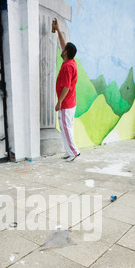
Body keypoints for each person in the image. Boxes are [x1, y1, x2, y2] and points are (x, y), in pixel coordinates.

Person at [53, 18, 80, 162]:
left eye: (63, 49)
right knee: (65, 127)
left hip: (67, 103)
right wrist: (58, 30)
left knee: (66, 127)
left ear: (66, 53)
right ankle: (70, 151)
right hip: (69, 103)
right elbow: (64, 44)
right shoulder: (70, 60)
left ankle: (74, 151)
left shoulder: (67, 67)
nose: (61, 49)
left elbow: (67, 87)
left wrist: (59, 102)